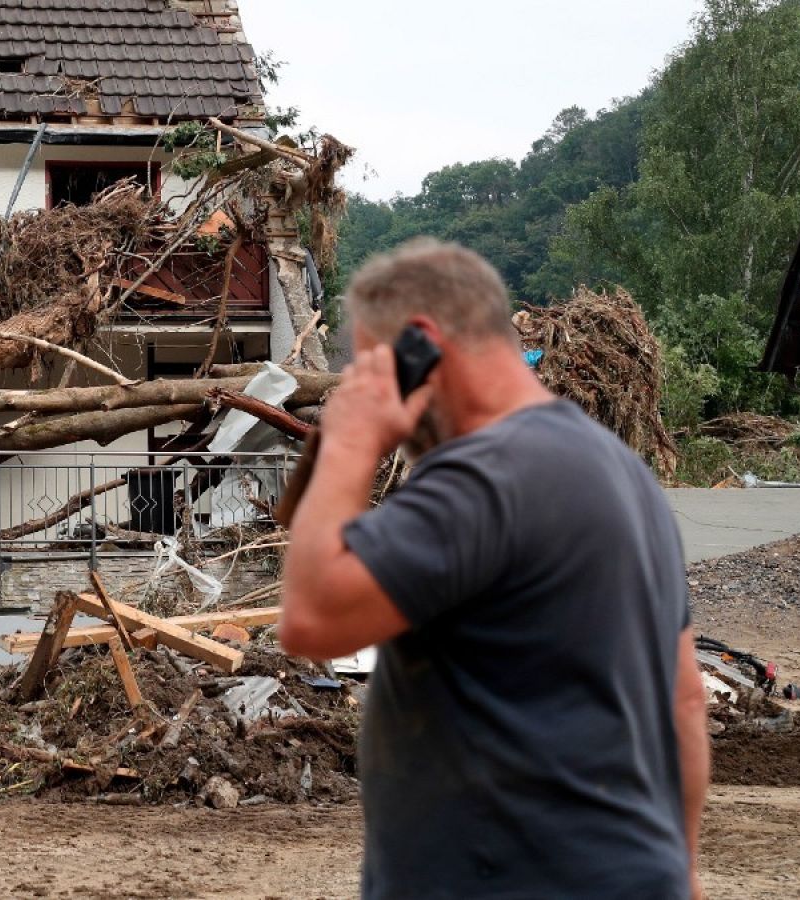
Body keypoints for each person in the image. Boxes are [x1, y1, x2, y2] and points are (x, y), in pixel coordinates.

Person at [279, 239, 710, 899]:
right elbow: (684, 699)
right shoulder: (627, 477)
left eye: (373, 369)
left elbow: (312, 619)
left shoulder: (486, 474)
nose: (365, 390)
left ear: (421, 346)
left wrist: (351, 438)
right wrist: (681, 871)